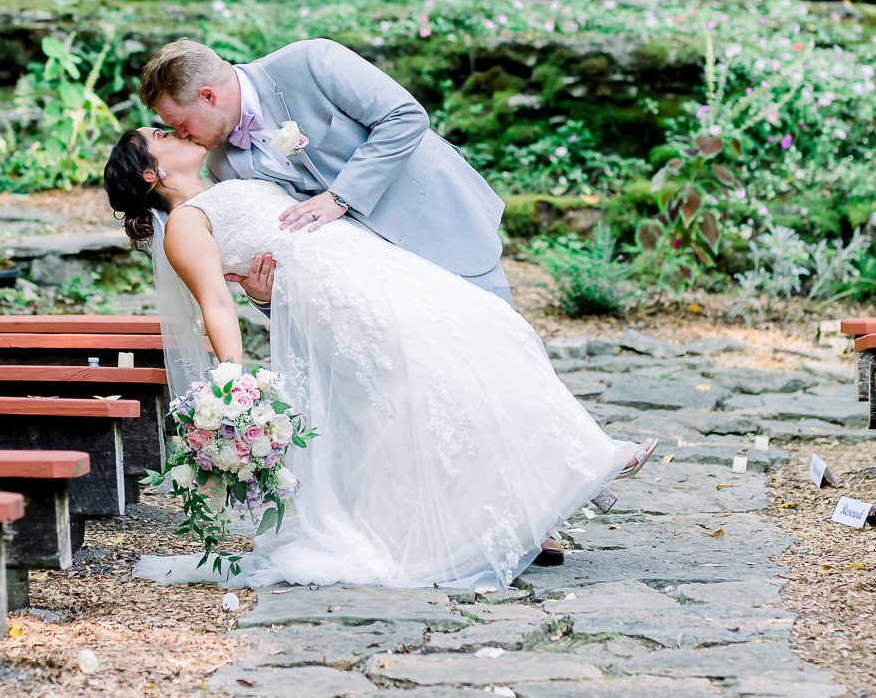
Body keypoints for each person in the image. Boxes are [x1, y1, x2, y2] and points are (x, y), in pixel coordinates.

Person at [103, 125, 656, 590]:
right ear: (151, 173)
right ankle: (581, 466)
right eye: (159, 135)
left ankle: (557, 477)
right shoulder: (185, 224)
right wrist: (233, 380)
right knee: (429, 385)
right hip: (341, 301)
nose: (174, 131)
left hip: (372, 267)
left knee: (492, 332)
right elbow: (216, 301)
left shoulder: (228, 182)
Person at [138, 37, 512, 306]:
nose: (182, 135)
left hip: (439, 221)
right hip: (379, 286)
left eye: (181, 124)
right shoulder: (222, 163)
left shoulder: (310, 62)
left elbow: (405, 117)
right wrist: (263, 296)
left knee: (503, 350)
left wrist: (339, 197)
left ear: (208, 96)